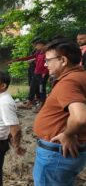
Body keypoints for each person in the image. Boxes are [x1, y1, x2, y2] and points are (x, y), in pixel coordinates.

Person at [33, 38, 86, 185]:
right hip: (64, 153)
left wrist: (68, 134)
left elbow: (81, 117)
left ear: (63, 60)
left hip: (56, 155)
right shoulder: (81, 76)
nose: (45, 64)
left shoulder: (69, 82)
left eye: (48, 60)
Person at [10, 38, 49, 109]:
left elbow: (47, 63)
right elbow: (29, 57)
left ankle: (41, 103)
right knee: (32, 87)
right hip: (36, 73)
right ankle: (29, 102)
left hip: (42, 75)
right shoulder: (38, 53)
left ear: (43, 45)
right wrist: (18, 60)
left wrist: (45, 73)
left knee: (41, 89)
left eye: (37, 45)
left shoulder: (47, 54)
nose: (36, 47)